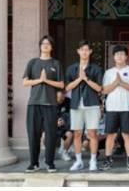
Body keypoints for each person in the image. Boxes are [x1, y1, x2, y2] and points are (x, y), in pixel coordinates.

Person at [22, 35, 64, 172]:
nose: (45, 46)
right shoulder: (32, 63)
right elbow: (25, 82)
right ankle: (34, 163)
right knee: (33, 134)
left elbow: (61, 84)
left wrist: (46, 81)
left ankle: (50, 162)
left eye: (48, 44)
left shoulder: (55, 64)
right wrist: (40, 80)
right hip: (34, 104)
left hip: (50, 104)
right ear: (40, 46)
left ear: (51, 47)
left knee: (51, 135)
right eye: (43, 43)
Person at [64, 40, 103, 172]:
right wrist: (79, 79)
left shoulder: (96, 69)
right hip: (76, 105)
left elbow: (99, 88)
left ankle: (93, 161)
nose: (84, 52)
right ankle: (79, 161)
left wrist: (86, 78)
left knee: (92, 133)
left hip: (92, 104)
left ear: (90, 52)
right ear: (78, 51)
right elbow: (67, 87)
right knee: (77, 134)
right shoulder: (71, 69)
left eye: (87, 50)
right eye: (82, 49)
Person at [101, 45, 129, 172]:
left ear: (126, 56)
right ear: (113, 57)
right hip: (112, 107)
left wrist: (122, 83)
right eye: (117, 54)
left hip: (127, 107)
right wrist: (115, 83)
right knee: (111, 135)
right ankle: (108, 160)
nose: (119, 56)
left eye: (122, 54)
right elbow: (105, 90)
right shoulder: (109, 72)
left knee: (127, 135)